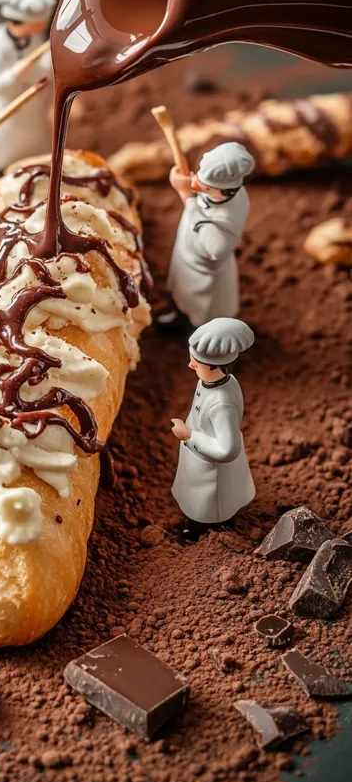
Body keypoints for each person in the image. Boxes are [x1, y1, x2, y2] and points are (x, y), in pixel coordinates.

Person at [170, 317, 256, 543]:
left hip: (211, 467)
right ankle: (212, 522)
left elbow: (228, 450)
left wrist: (189, 435)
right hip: (200, 459)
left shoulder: (221, 403)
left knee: (209, 503)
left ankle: (200, 534)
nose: (191, 366)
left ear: (214, 367)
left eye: (196, 364)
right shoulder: (215, 381)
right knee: (203, 500)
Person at [157, 141, 255, 331]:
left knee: (203, 311)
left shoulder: (228, 215)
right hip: (187, 256)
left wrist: (187, 197)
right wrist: (188, 180)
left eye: (206, 187)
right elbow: (197, 188)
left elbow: (216, 248)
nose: (195, 184)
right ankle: (181, 315)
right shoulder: (219, 194)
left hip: (205, 271)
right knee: (182, 292)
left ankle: (200, 336)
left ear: (225, 191)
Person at [0, 0, 56, 172]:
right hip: (8, 109)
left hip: (32, 104)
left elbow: (44, 65)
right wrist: (15, 73)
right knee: (5, 149)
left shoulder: (33, 39)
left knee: (34, 148)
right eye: (39, 23)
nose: (42, 27)